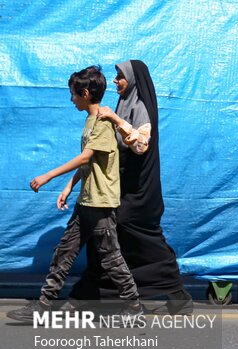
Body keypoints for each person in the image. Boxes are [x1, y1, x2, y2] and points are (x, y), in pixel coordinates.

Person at [7, 65, 142, 322]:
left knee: (111, 258)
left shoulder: (102, 123)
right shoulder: (91, 120)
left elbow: (85, 156)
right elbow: (88, 163)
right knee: (64, 252)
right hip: (87, 201)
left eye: (74, 94)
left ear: (86, 93)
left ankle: (134, 307)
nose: (71, 99)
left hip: (100, 203)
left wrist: (49, 175)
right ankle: (44, 304)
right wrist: (70, 187)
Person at [68, 60, 193, 315]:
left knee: (141, 239)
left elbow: (140, 145)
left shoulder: (140, 107)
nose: (116, 81)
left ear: (134, 80)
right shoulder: (124, 105)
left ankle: (177, 295)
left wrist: (115, 119)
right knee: (104, 235)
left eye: (120, 77)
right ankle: (88, 293)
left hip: (140, 192)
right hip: (121, 186)